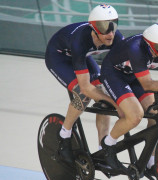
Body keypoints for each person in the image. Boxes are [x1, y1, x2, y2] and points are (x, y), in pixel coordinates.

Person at [99, 22, 158, 172]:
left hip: (133, 75)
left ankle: (150, 160)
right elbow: (148, 85)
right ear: (150, 46)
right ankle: (108, 145)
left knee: (155, 112)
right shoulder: (136, 49)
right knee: (135, 116)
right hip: (114, 74)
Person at [45, 4, 124, 166]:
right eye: (104, 27)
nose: (110, 33)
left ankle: (103, 147)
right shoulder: (80, 40)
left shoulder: (116, 38)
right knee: (84, 94)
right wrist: (116, 103)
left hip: (83, 56)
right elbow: (86, 87)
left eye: (113, 25)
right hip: (59, 58)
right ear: (93, 29)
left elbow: (120, 70)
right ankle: (64, 134)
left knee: (103, 96)